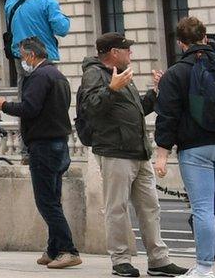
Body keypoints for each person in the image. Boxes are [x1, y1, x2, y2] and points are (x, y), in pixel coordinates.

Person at [154, 17, 215, 278]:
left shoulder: (176, 73)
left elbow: (168, 116)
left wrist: (162, 154)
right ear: (205, 37)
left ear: (180, 42)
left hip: (195, 147)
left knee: (202, 209)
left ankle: (205, 268)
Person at [79, 34, 185, 277]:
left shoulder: (122, 72)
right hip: (115, 151)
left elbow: (137, 109)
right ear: (114, 52)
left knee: (150, 207)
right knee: (117, 208)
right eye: (127, 50)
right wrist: (111, 89)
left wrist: (155, 93)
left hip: (138, 150)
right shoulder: (95, 74)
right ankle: (120, 260)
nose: (131, 54)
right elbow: (90, 109)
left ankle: (158, 260)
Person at [0, 36, 78, 268]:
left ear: (31, 55)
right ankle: (53, 248)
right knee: (53, 199)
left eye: (21, 56)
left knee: (46, 202)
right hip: (60, 143)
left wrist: (4, 106)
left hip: (44, 145)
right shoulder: (58, 75)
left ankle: (68, 249)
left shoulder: (39, 76)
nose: (21, 61)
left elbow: (29, 108)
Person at [5, 0, 72, 63]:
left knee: (24, 78)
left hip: (20, 54)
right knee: (45, 78)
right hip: (43, 55)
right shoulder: (48, 0)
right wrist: (65, 19)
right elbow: (62, 29)